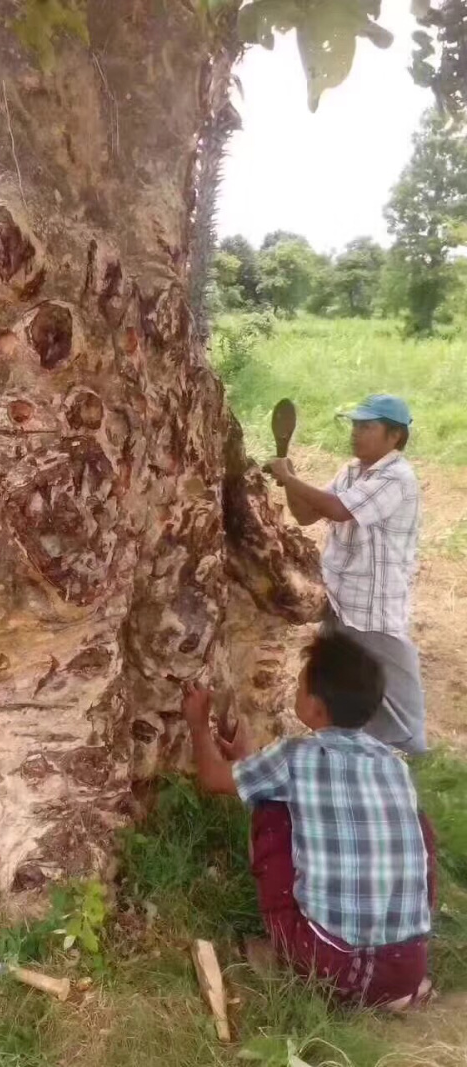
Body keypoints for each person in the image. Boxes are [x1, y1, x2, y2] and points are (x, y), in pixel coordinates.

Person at [182, 632, 435, 1009]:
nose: (295, 690)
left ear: (315, 707)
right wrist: (249, 757)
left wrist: (198, 724)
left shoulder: (297, 757)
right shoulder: (393, 765)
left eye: (299, 685)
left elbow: (212, 779)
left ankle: (292, 961)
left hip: (325, 962)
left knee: (272, 807)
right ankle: (390, 995)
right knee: (418, 825)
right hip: (405, 969)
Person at [265, 394, 425, 755]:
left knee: (392, 685)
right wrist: (290, 480)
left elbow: (338, 510)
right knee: (340, 679)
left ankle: (413, 752)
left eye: (367, 427)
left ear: (394, 436)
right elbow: (307, 515)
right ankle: (348, 746)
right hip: (339, 596)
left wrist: (289, 477)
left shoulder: (397, 477)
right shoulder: (352, 470)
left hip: (374, 602)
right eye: (355, 425)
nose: (356, 434)